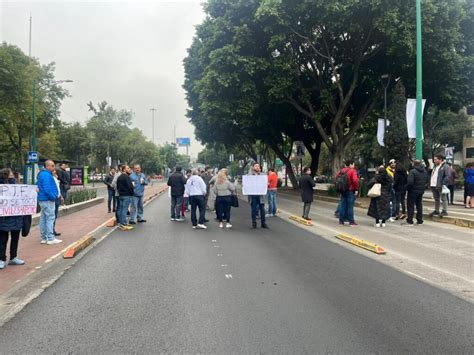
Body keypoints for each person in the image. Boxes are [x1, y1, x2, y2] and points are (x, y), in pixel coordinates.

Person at [0, 169, 26, 269]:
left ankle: (13, 257)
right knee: (3, 239)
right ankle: (2, 259)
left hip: (16, 217)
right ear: (5, 175)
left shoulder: (16, 186)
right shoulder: (2, 187)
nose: (13, 175)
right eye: (10, 173)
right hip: (4, 218)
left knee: (15, 238)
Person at [37, 160, 63, 244]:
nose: (54, 167)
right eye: (52, 165)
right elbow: (47, 189)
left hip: (43, 199)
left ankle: (44, 237)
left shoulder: (42, 174)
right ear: (47, 166)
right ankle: (51, 238)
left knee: (44, 218)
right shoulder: (46, 175)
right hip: (48, 199)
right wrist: (53, 196)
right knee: (50, 217)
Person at [336, 160, 359, 226]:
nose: (354, 166)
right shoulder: (352, 171)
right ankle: (351, 221)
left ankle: (341, 220)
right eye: (353, 164)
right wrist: (356, 188)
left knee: (343, 205)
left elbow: (336, 178)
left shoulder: (342, 170)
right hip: (350, 190)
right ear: (351, 164)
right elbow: (355, 180)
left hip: (343, 190)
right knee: (350, 206)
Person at [406, 160, 429, 225]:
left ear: (414, 164)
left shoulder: (412, 171)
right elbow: (427, 180)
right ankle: (419, 219)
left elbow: (410, 182)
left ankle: (410, 219)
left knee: (410, 205)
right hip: (421, 190)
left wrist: (408, 189)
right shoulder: (424, 171)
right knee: (419, 204)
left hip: (412, 191)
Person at [248, 163, 268, 229]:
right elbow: (246, 183)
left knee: (262, 210)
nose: (257, 167)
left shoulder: (263, 175)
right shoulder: (249, 175)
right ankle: (254, 223)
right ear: (253, 167)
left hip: (260, 196)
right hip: (253, 195)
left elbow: (265, 183)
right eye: (255, 166)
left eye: (258, 166)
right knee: (253, 210)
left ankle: (263, 223)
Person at [116, 165, 134, 230]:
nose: (129, 169)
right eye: (128, 168)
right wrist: (132, 193)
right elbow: (130, 187)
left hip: (120, 195)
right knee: (124, 210)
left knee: (121, 209)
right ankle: (124, 224)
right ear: (124, 170)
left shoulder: (119, 177)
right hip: (127, 195)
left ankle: (121, 223)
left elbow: (117, 187)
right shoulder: (127, 177)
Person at [52, 170, 63, 237]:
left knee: (54, 215)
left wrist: (61, 196)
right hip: (54, 198)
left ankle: (52, 230)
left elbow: (58, 188)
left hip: (57, 198)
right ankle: (51, 231)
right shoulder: (51, 178)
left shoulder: (55, 178)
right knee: (52, 216)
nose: (55, 172)